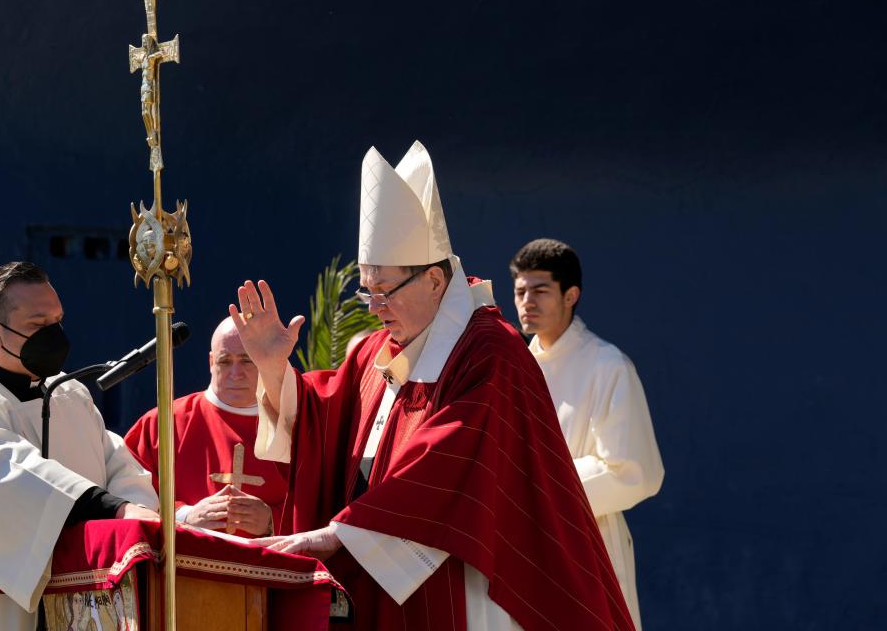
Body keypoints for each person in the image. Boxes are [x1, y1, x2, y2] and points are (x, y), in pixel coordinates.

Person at [230, 141, 634, 630]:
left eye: (386, 291)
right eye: (367, 289)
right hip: (376, 568)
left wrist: (344, 531)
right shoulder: (371, 350)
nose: (374, 306)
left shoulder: (490, 351)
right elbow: (324, 423)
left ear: (436, 282)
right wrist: (274, 369)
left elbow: (455, 453)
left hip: (466, 578)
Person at [0, 262, 159, 631]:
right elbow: (9, 475)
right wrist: (115, 511)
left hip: (83, 600)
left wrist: (142, 522)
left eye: (58, 322)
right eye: (38, 326)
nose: (54, 336)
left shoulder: (69, 393)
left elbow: (120, 468)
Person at [510, 239, 665, 631]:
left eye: (541, 290)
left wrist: (536, 486)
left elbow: (634, 472)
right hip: (521, 549)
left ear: (571, 294)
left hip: (584, 548)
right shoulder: (514, 366)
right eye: (520, 291)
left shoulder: (607, 365)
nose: (527, 301)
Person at [125, 316, 288, 536]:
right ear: (211, 362)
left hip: (271, 566)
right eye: (225, 361)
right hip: (185, 566)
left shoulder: (293, 424)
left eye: (247, 360)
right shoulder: (161, 423)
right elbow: (126, 498)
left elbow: (322, 504)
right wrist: (184, 516)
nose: (235, 373)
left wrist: (273, 520)